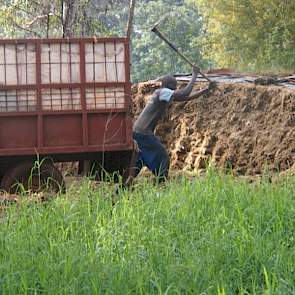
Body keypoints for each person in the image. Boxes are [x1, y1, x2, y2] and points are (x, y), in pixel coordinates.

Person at [129, 65, 216, 184]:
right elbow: (185, 92)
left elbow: (185, 97)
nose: (176, 88)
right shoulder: (162, 92)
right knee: (163, 156)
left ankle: (125, 183)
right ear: (169, 86)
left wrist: (206, 90)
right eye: (174, 86)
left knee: (140, 159)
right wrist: (194, 74)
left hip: (137, 132)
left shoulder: (162, 94)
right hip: (144, 133)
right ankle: (161, 183)